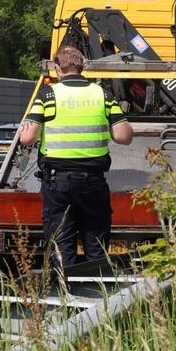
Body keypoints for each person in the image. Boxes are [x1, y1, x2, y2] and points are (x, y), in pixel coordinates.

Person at [18, 46, 133, 276]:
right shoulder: (102, 94)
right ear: (83, 67)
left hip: (57, 183)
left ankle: (67, 299)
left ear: (58, 69)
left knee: (62, 246)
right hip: (93, 183)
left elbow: (27, 138)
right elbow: (124, 136)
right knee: (96, 245)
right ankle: (99, 299)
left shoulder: (48, 95)